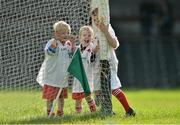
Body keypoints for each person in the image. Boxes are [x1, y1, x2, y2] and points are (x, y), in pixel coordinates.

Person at [91, 8, 136, 116]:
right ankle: (106, 110)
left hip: (108, 62)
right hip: (97, 64)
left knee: (112, 87)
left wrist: (105, 32)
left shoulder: (108, 28)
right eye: (94, 19)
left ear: (104, 18)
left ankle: (129, 110)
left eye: (98, 19)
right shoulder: (92, 30)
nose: (97, 22)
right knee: (98, 89)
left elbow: (115, 44)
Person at [36, 21, 75, 117]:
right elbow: (49, 53)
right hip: (52, 75)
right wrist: (54, 46)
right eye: (63, 33)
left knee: (61, 97)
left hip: (62, 75)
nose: (66, 35)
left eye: (67, 33)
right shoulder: (52, 42)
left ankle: (60, 112)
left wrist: (73, 44)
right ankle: (50, 112)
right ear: (56, 34)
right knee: (50, 97)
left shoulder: (68, 44)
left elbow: (71, 56)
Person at [72, 26, 96, 113]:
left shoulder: (92, 48)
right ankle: (78, 113)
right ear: (80, 37)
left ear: (92, 37)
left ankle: (93, 111)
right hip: (78, 77)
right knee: (78, 99)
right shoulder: (77, 49)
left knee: (88, 96)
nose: (87, 37)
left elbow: (93, 59)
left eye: (89, 35)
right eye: (84, 35)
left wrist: (95, 52)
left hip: (87, 77)